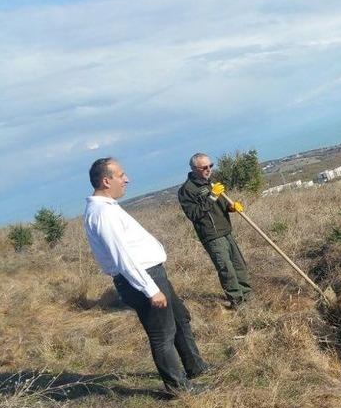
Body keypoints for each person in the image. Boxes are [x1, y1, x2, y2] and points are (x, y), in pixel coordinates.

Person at [83, 158, 208, 394]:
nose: (127, 179)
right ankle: (179, 388)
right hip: (142, 278)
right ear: (106, 180)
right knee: (163, 334)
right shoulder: (102, 213)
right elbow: (123, 257)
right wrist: (150, 289)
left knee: (180, 319)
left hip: (152, 273)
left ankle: (195, 367)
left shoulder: (107, 208)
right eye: (121, 175)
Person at [178, 153, 252, 309]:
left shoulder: (211, 183)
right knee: (227, 269)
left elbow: (222, 204)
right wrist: (212, 197)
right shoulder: (187, 190)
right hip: (212, 236)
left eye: (210, 166)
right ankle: (238, 302)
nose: (208, 170)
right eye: (204, 167)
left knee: (239, 265)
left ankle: (246, 295)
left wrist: (232, 207)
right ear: (194, 168)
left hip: (226, 230)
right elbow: (194, 214)